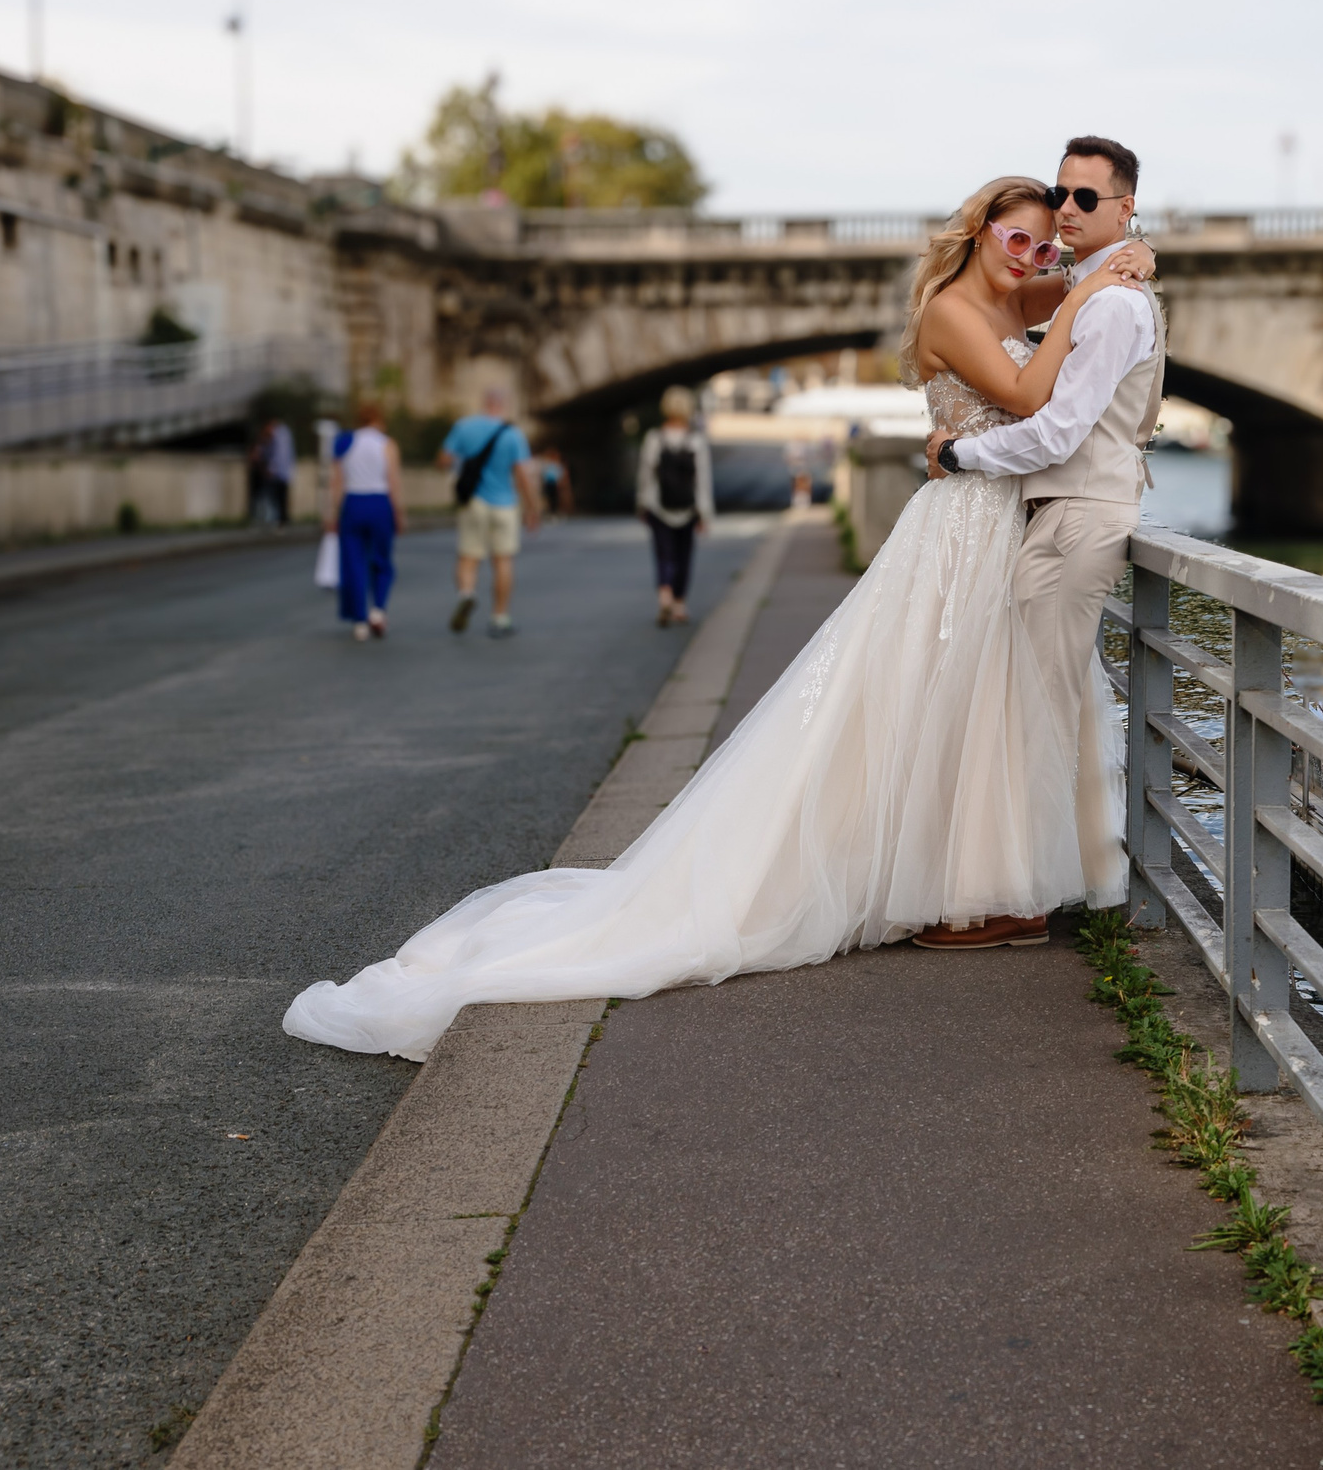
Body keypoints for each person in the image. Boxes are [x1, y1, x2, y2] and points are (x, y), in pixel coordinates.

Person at [284, 175, 1155, 1060]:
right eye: (1020, 242)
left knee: (965, 709)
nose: (1037, 260)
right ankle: (938, 884)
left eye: (1047, 248)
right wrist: (1086, 283)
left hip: (997, 526)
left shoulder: (1023, 289)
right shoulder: (953, 311)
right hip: (961, 530)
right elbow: (1033, 396)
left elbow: (1099, 300)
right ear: (977, 232)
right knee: (918, 701)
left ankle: (973, 881)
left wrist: (1117, 263)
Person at [920, 136, 1162, 949]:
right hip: (1030, 518)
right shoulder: (1075, 296)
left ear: (1123, 205)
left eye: (1084, 200)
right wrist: (1111, 264)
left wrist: (960, 454)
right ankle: (1048, 882)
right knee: (1027, 705)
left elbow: (1052, 425)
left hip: (1068, 514)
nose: (1064, 213)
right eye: (1061, 195)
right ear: (981, 231)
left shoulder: (1108, 302)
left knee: (1036, 711)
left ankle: (1022, 898)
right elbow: (1046, 396)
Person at [439, 390, 540, 638]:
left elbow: (443, 460)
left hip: (474, 502)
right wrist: (532, 508)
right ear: (503, 405)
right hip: (505, 504)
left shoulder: (464, 427)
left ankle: (467, 594)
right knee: (503, 560)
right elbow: (522, 474)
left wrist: (462, 467)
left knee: (468, 557)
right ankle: (500, 617)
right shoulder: (513, 434)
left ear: (484, 403)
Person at [636, 388, 714, 626]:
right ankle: (679, 603)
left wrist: (642, 503)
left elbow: (645, 475)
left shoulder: (654, 438)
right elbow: (702, 479)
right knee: (684, 555)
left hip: (659, 507)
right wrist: (705, 512)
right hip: (688, 509)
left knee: (663, 553)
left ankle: (665, 593)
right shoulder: (696, 440)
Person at [327, 402, 405, 640]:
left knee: (354, 562)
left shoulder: (344, 442)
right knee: (381, 560)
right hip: (380, 503)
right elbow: (393, 481)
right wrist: (399, 513)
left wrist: (332, 513)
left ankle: (359, 621)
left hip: (353, 503)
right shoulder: (387, 444)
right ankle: (378, 611)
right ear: (379, 419)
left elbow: (337, 481)